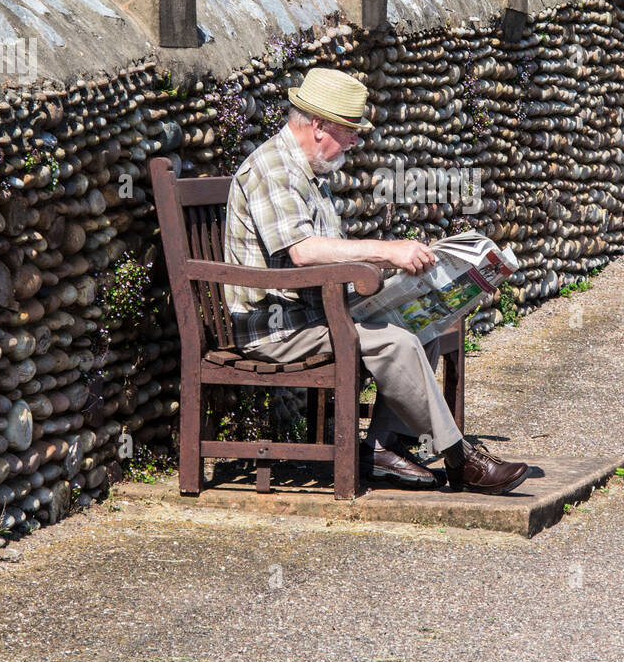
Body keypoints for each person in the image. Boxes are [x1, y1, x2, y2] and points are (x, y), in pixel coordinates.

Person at [223, 66, 531, 495]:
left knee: (417, 326)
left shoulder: (307, 170)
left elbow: (319, 256)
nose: (354, 141)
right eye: (348, 131)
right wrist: (386, 252)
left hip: (316, 311)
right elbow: (303, 252)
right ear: (317, 126)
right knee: (395, 342)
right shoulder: (274, 169)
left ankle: (384, 449)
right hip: (278, 327)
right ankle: (460, 459)